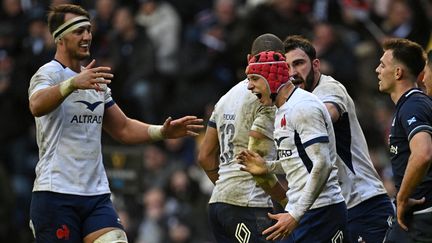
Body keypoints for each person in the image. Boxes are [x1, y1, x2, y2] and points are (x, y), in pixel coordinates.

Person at [27, 4, 203, 243]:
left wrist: (161, 131)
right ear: (59, 37)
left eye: (88, 30)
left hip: (96, 195)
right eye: (78, 31)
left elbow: (123, 128)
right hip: (55, 193)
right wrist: (72, 84)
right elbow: (36, 105)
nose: (87, 36)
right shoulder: (48, 74)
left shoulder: (94, 81)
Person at [283, 35, 394, 243]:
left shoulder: (329, 88)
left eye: (298, 64)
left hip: (364, 203)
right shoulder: (294, 104)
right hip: (333, 209)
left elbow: (328, 114)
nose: (293, 73)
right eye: (287, 67)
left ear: (315, 64)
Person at [238, 50, 348, 242]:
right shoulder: (282, 110)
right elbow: (299, 159)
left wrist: (295, 214)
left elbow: (322, 164)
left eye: (254, 78)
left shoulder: (303, 107)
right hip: (302, 210)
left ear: (272, 78)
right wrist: (268, 167)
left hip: (321, 211)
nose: (249, 86)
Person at [197, 33, 288, 243]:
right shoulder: (265, 99)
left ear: (249, 59)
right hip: (247, 205)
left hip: (218, 204)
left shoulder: (225, 98)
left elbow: (204, 155)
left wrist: (226, 187)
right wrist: (287, 202)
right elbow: (257, 168)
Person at [376, 38, 432, 243]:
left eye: (382, 65)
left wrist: (401, 198)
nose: (377, 70)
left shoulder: (413, 105)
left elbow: (423, 153)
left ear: (398, 73)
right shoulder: (413, 103)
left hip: (420, 217)